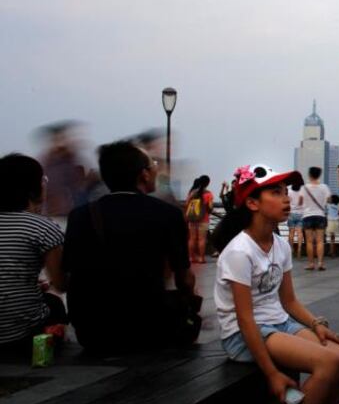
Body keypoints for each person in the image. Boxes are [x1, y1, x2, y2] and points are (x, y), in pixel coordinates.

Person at [212, 165, 339, 404]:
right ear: (252, 203)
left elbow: (288, 300)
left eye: (286, 191)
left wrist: (316, 325)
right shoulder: (239, 251)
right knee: (328, 364)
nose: (287, 198)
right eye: (275, 192)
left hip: (280, 323)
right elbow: (245, 319)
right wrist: (271, 373)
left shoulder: (280, 244)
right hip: (243, 335)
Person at [64, 141, 200, 354]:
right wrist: (191, 300)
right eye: (153, 164)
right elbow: (184, 278)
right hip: (150, 330)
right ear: (144, 175)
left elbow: (68, 275)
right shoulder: (168, 214)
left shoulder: (80, 215)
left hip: (93, 333)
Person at [0, 154, 68, 352]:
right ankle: (49, 343)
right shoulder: (42, 227)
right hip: (21, 335)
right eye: (43, 180)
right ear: (33, 189)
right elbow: (61, 283)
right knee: (55, 298)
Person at [300, 167, 331, 272]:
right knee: (320, 241)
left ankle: (311, 263)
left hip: (307, 215)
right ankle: (321, 263)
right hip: (320, 215)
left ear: (309, 175)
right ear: (319, 175)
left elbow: (300, 202)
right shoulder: (324, 187)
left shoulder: (304, 188)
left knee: (309, 241)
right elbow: (329, 200)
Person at [184, 175, 214, 264]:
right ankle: (201, 258)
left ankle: (191, 257)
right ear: (207, 183)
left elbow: (186, 204)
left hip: (192, 219)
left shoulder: (193, 192)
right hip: (203, 219)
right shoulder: (208, 194)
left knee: (191, 238)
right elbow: (210, 207)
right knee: (202, 239)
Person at [287, 182, 305, 258]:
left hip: (291, 213)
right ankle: (299, 249)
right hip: (301, 214)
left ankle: (291, 249)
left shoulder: (289, 192)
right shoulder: (302, 192)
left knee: (291, 232)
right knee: (300, 232)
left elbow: (287, 202)